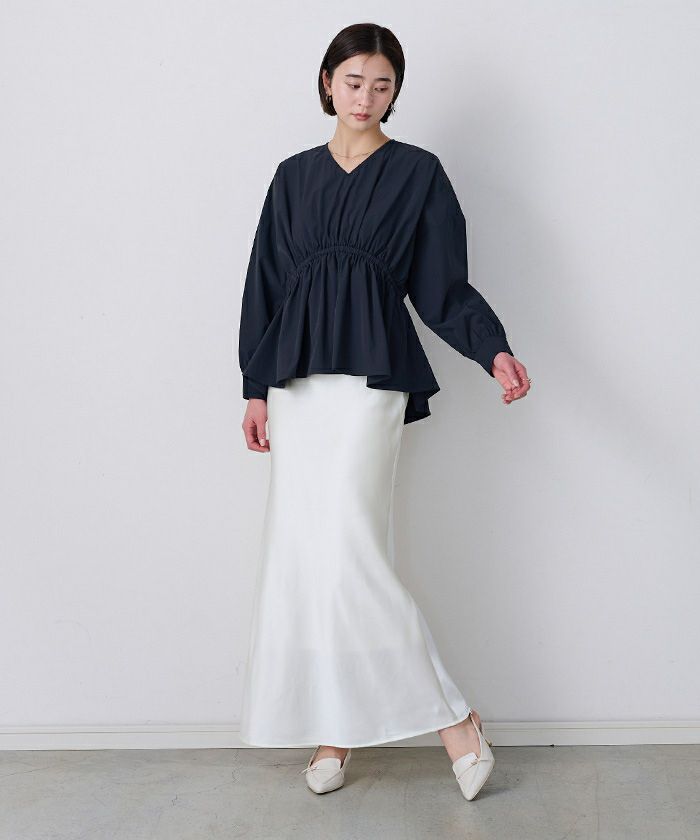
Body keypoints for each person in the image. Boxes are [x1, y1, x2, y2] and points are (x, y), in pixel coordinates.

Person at [237, 23, 531, 801]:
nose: (366, 97)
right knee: (307, 557)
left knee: (351, 553)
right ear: (327, 82)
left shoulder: (418, 173)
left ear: (396, 92)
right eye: (354, 81)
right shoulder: (292, 177)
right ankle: (336, 731)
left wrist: (493, 350)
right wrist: (254, 387)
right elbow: (265, 284)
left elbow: (443, 286)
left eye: (382, 85)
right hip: (296, 383)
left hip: (370, 379)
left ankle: (456, 722)